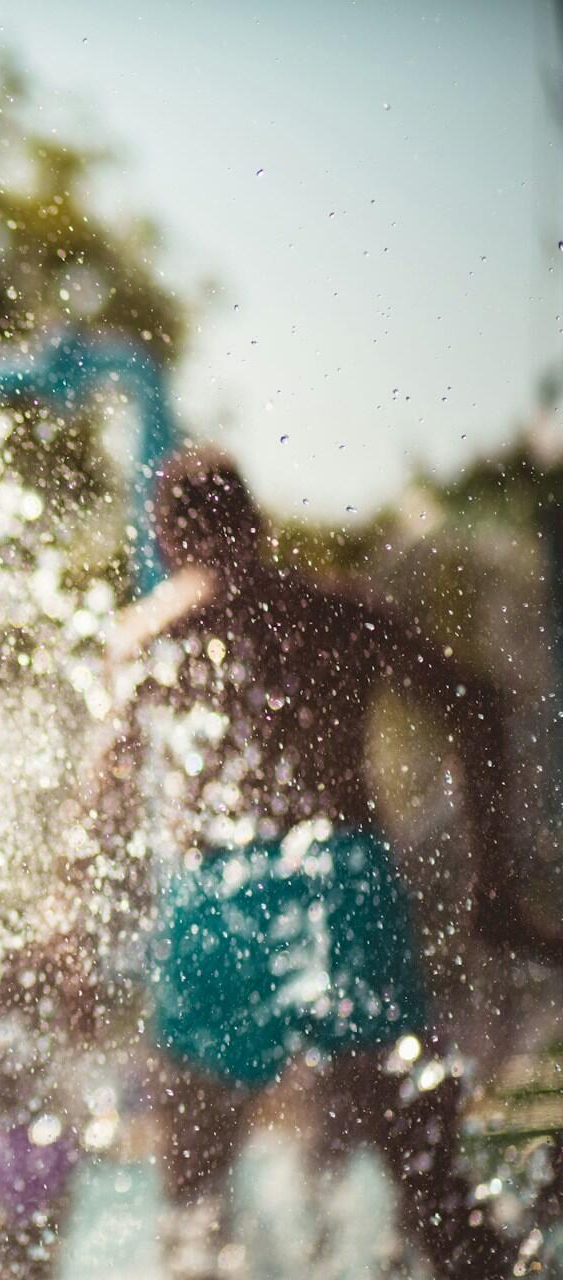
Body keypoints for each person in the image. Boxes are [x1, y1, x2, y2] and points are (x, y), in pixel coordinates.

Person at [61, 447, 563, 1279]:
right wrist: (497, 889)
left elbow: (102, 806)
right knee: (432, 1187)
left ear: (165, 536)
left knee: (194, 1209)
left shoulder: (152, 632)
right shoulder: (334, 608)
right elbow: (477, 705)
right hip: (342, 884)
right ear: (255, 524)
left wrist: (72, 938)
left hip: (218, 897)